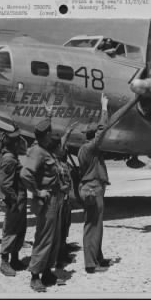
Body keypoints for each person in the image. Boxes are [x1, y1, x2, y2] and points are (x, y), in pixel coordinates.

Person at [20, 115, 63, 292]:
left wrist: (48, 115)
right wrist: (37, 191)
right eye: (50, 132)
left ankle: (46, 271)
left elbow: (44, 128)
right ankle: (35, 276)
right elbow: (25, 174)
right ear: (45, 135)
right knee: (44, 238)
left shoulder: (46, 149)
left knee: (53, 238)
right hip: (46, 200)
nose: (52, 135)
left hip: (54, 197)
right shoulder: (37, 151)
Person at [78, 93, 112, 274]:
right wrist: (104, 108)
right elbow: (103, 129)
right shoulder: (90, 147)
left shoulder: (85, 149)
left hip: (93, 188)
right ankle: (91, 264)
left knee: (96, 225)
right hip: (92, 189)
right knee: (92, 226)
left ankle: (97, 257)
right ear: (93, 136)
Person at [0, 126, 28, 277]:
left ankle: (15, 259)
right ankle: (4, 262)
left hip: (19, 199)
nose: (19, 143)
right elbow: (4, 184)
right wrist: (13, 199)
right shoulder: (9, 159)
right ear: (12, 143)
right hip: (14, 200)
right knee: (10, 230)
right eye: (16, 141)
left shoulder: (13, 156)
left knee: (19, 229)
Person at [51, 122, 78, 268]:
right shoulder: (55, 163)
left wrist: (67, 132)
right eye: (62, 149)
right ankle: (58, 257)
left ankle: (63, 248)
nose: (65, 150)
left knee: (65, 225)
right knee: (59, 228)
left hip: (66, 201)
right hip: (59, 201)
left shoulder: (62, 161)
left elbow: (62, 144)